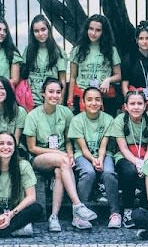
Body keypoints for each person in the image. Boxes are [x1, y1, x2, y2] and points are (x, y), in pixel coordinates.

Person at [22, 78, 94, 231]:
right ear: (43, 94)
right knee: (62, 162)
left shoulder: (66, 113)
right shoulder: (33, 116)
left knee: (60, 170)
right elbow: (32, 147)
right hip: (40, 157)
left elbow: (69, 141)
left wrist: (70, 155)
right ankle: (77, 205)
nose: (54, 95)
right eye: (51, 92)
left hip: (62, 159)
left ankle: (54, 217)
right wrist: (59, 153)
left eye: (58, 92)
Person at [69, 87, 119, 228]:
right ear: (83, 102)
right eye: (89, 99)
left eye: (97, 99)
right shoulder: (77, 120)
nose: (94, 103)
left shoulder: (108, 119)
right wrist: (93, 160)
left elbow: (104, 145)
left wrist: (100, 159)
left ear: (102, 102)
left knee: (109, 173)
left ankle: (115, 213)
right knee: (88, 172)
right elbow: (83, 148)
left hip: (103, 154)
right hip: (83, 155)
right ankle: (79, 213)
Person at [110, 91, 148, 220]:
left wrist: (144, 163)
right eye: (132, 104)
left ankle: (144, 208)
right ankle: (128, 209)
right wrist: (137, 163)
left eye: (139, 104)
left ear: (145, 106)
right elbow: (123, 148)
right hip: (125, 155)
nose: (136, 107)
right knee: (129, 171)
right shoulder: (120, 120)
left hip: (146, 154)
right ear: (126, 106)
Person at [69, 15, 121, 113]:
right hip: (82, 96)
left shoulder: (111, 50)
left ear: (103, 32)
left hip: (104, 97)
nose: (93, 33)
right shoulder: (77, 50)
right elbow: (72, 77)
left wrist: (108, 80)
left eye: (98, 30)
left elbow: (118, 75)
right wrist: (70, 101)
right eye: (91, 29)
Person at [18, 15, 67, 109]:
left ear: (48, 29)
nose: (40, 33)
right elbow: (23, 76)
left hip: (51, 101)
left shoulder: (58, 52)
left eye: (43, 29)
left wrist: (60, 101)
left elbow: (62, 80)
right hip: (31, 101)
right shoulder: (28, 50)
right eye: (36, 31)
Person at [121, 22, 148, 112]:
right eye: (141, 38)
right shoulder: (129, 58)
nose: (144, 42)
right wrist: (132, 102)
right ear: (136, 40)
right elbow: (124, 85)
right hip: (134, 102)